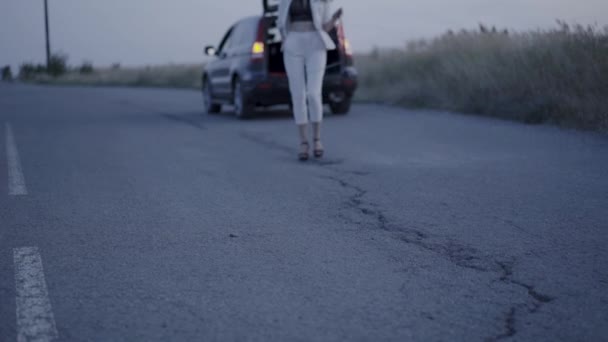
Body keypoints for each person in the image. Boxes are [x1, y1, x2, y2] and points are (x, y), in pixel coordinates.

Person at [278, 0, 343, 161]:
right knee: (298, 94)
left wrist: (335, 18)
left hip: (316, 44)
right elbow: (281, 24)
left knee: (313, 94)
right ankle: (303, 142)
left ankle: (317, 139)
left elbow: (325, 27)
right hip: (293, 44)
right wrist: (284, 39)